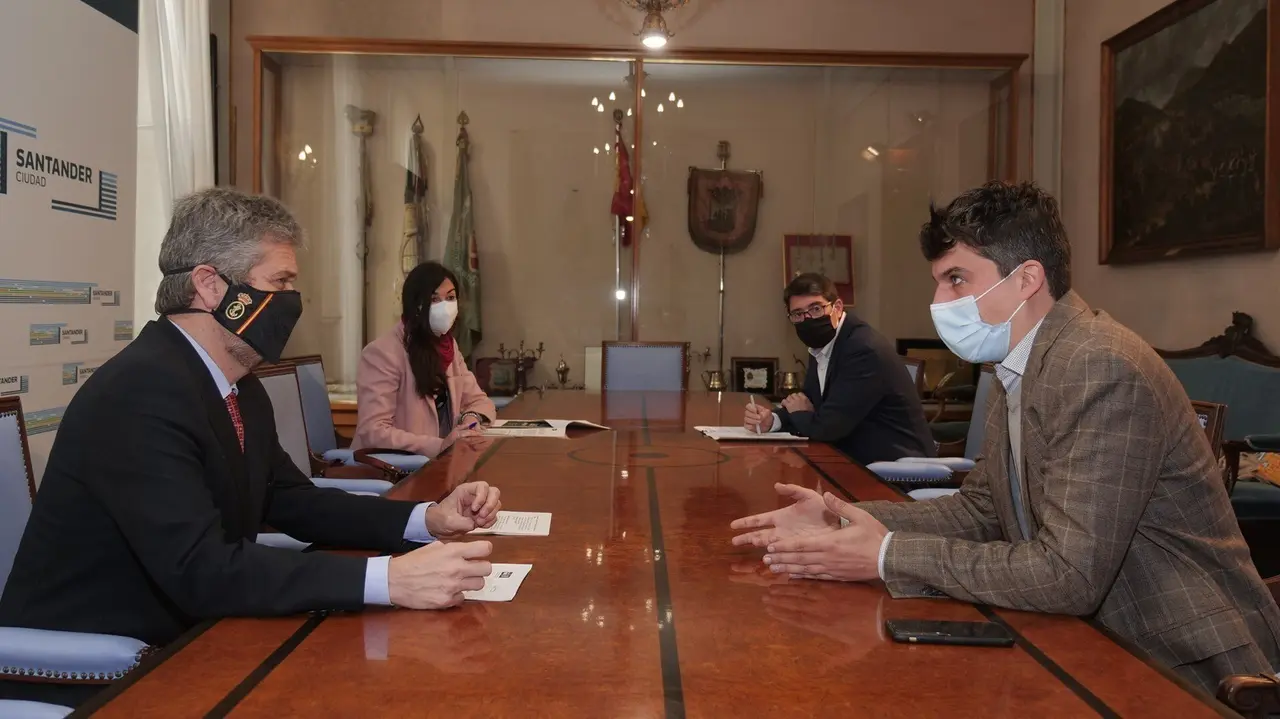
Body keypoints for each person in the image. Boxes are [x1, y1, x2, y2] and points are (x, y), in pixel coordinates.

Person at [730, 181, 1280, 692]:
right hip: (1089, 640)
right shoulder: (1018, 363)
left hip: (1180, 662)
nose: (941, 302)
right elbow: (981, 511)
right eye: (939, 282)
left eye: (957, 279)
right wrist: (839, 516)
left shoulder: (1098, 366)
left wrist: (887, 555)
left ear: (1027, 278)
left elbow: (1070, 575)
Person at [0, 189, 500, 709]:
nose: (292, 301)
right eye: (279, 282)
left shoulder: (236, 384)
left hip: (193, 644)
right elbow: (202, 569)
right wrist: (389, 580)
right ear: (212, 286)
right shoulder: (140, 391)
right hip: (97, 675)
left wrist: (426, 521)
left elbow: (291, 501)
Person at [741, 273, 934, 465]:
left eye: (816, 309)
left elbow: (827, 428)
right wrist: (772, 420)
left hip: (894, 471)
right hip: (852, 459)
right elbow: (810, 403)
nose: (808, 319)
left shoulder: (863, 350)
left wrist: (800, 413)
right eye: (798, 314)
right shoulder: (823, 343)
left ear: (838, 307)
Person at [352, 261, 496, 459]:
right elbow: (373, 432)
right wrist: (439, 445)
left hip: (442, 462)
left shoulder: (448, 347)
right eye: (435, 299)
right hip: (397, 469)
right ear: (416, 304)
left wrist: (470, 418)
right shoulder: (382, 353)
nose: (445, 307)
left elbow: (479, 401)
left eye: (451, 298)